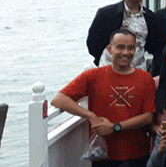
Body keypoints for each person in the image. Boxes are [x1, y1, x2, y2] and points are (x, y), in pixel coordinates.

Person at [52, 29, 155, 167]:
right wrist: (90, 115)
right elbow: (59, 99)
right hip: (102, 155)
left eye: (130, 48)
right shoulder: (93, 76)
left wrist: (115, 127)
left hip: (136, 155)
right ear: (109, 49)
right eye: (120, 47)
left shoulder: (145, 78)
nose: (125, 52)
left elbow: (148, 116)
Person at [87, 0, 161, 71]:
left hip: (138, 71)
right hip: (109, 70)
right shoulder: (106, 14)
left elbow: (153, 46)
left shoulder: (150, 17)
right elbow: (93, 44)